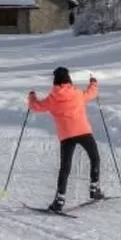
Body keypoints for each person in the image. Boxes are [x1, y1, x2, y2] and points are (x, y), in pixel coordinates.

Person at [28, 67, 102, 212]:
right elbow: (92, 93)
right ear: (69, 79)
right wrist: (93, 82)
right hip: (84, 132)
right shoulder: (77, 94)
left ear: (55, 81)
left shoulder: (52, 99)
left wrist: (32, 96)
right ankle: (94, 189)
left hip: (66, 136)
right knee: (95, 158)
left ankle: (59, 200)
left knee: (65, 168)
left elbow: (35, 107)